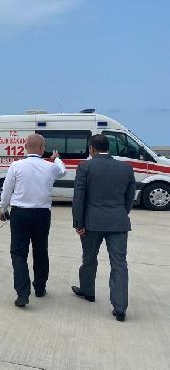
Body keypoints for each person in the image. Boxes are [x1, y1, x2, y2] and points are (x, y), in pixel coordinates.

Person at [71, 134, 136, 322]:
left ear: (91, 148)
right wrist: (121, 213)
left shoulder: (85, 167)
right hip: (118, 221)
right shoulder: (126, 168)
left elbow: (79, 198)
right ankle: (120, 307)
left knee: (89, 258)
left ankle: (88, 291)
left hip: (92, 223)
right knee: (119, 264)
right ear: (109, 148)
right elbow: (129, 197)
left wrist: (78, 223)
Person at [0, 134, 66, 308]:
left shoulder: (16, 165)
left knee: (18, 253)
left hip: (20, 214)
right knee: (41, 251)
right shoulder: (50, 167)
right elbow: (63, 171)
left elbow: (7, 190)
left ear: (25, 146)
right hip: (42, 215)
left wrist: (3, 209)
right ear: (42, 148)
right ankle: (40, 287)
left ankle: (23, 294)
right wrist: (56, 159)